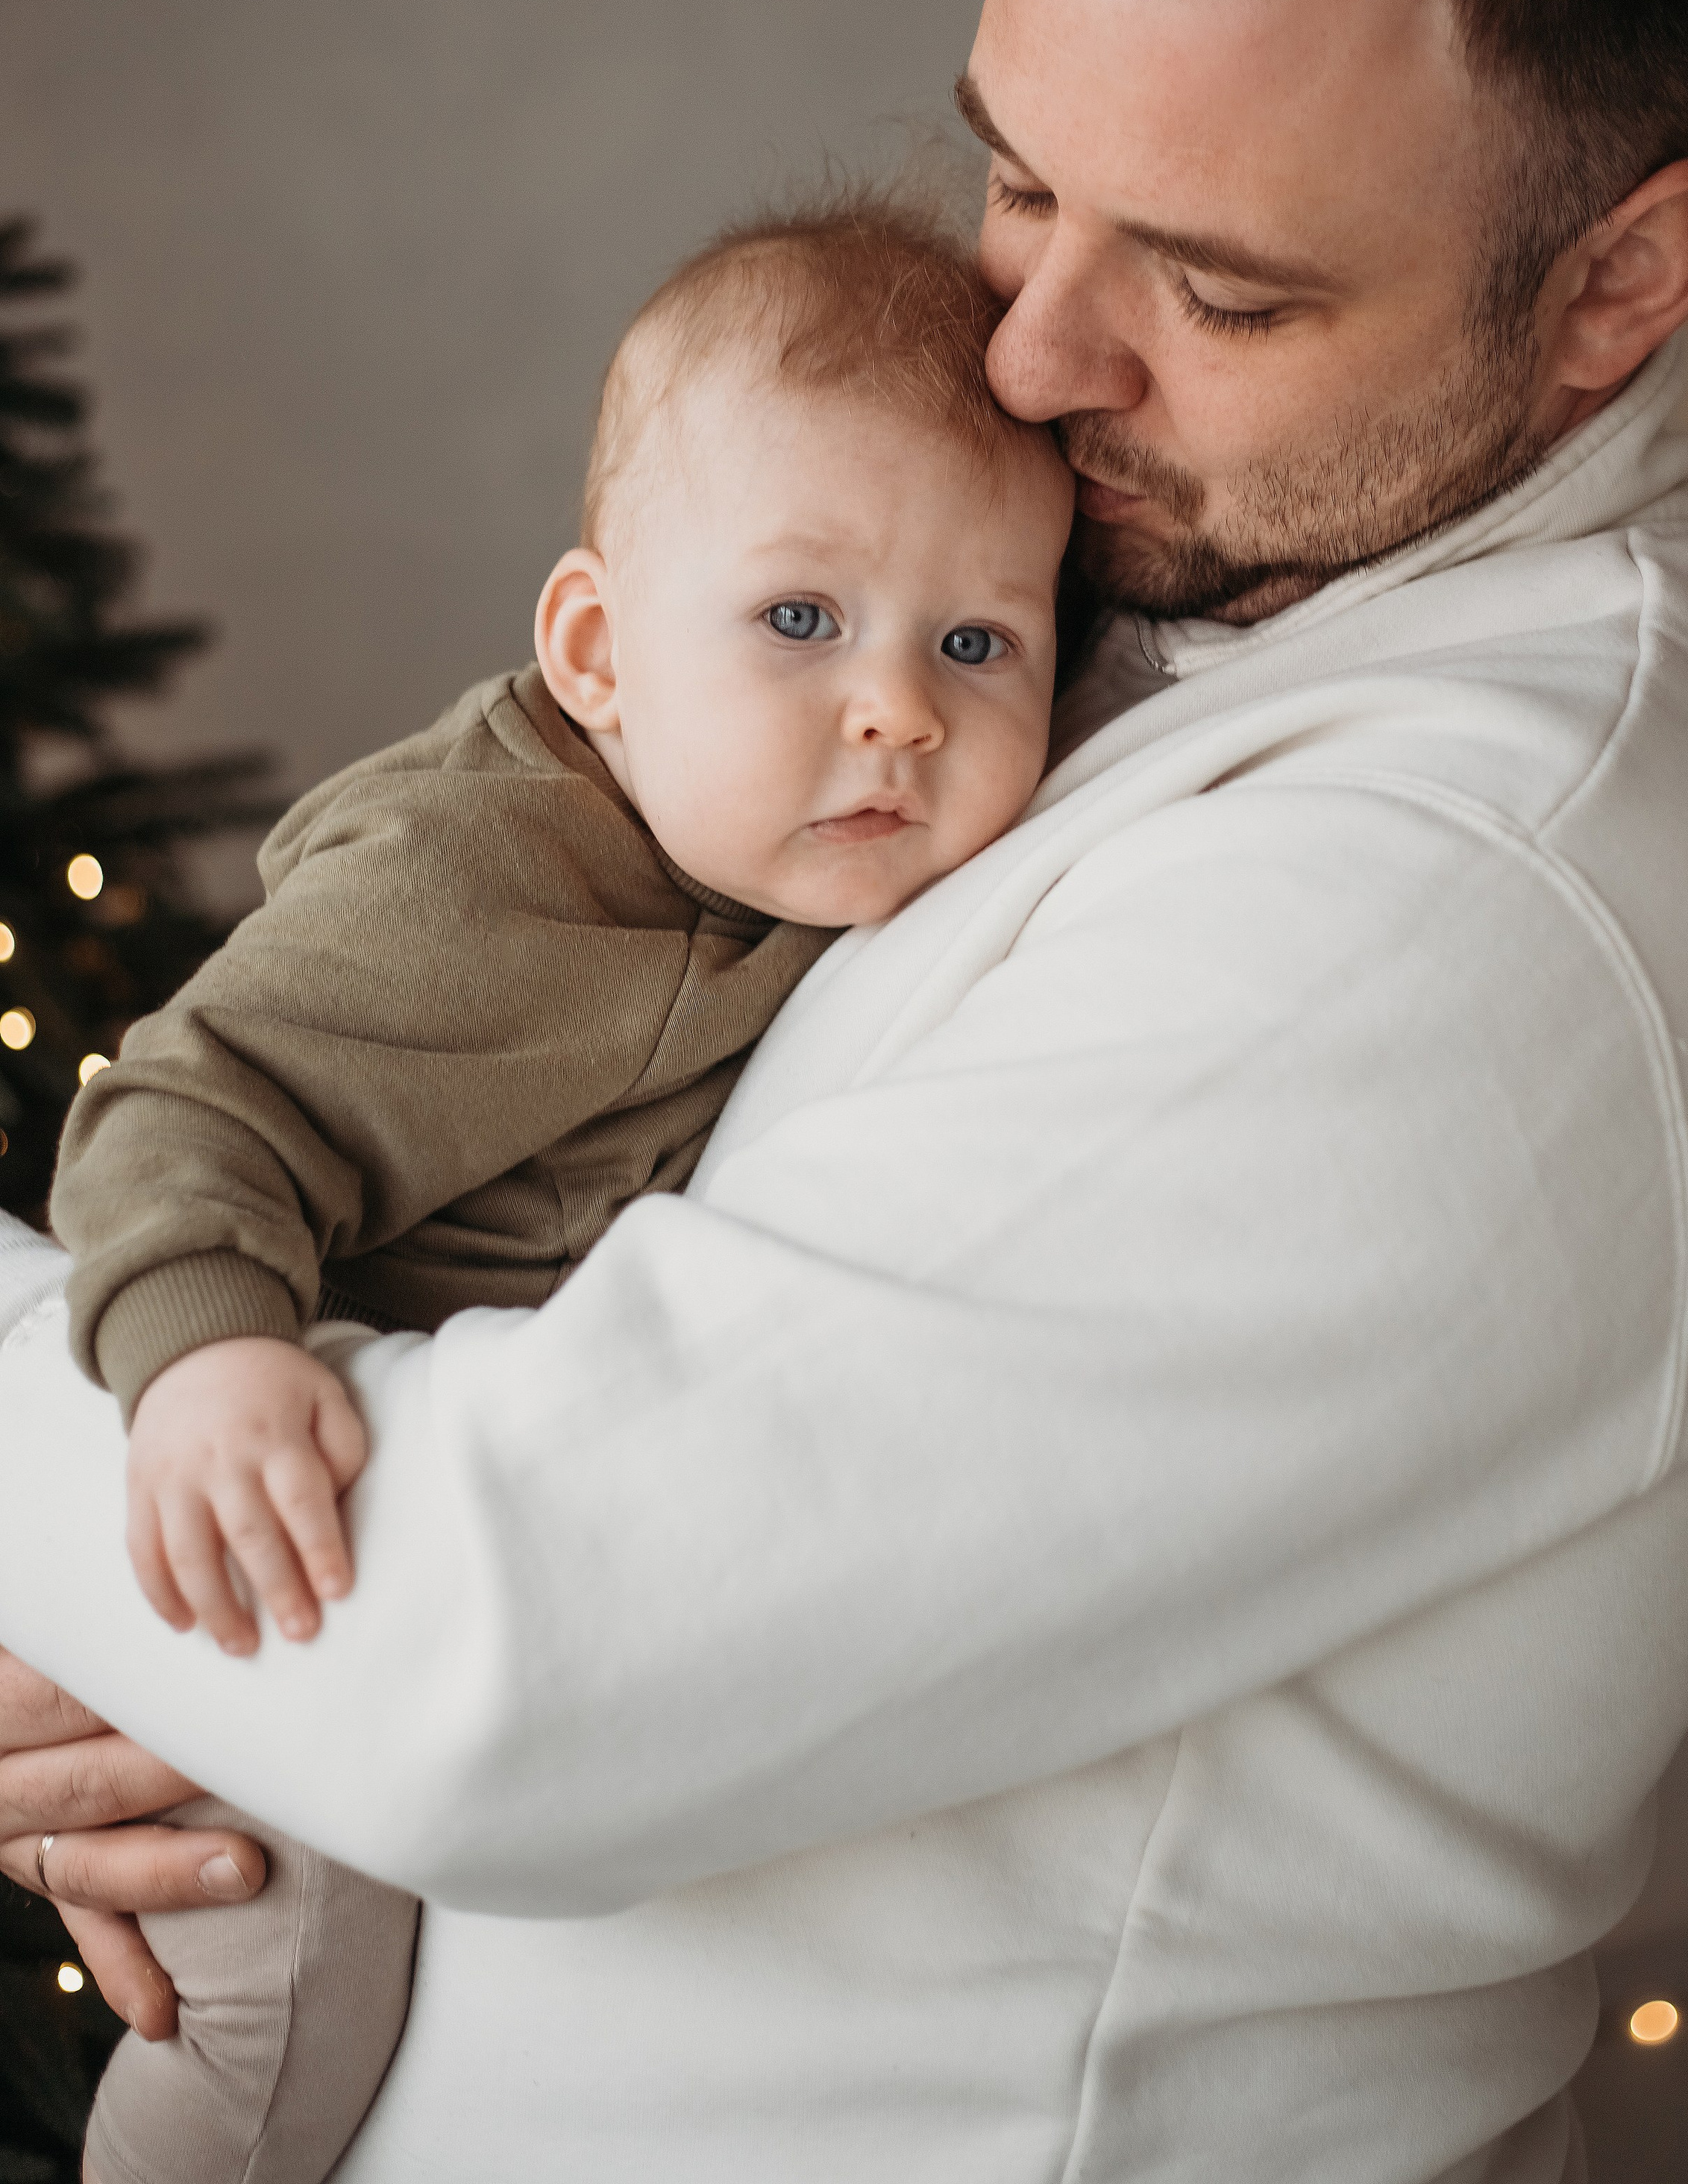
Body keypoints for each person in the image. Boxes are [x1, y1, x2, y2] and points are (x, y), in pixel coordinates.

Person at [0, 0, 1688, 2184]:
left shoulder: (1492, 899)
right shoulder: (1191, 593)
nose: (1023, 351)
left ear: (1616, 285)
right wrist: (158, 1675)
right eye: (1015, 175)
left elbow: (497, 1657)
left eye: (1218, 291)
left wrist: (93, 1528)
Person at [46, 200, 1072, 2184]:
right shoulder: (486, 884)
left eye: (979, 643)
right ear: (598, 652)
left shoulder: (809, 857)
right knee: (271, 2025)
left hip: (494, 1597)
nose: (898, 708)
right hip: (274, 1552)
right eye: (801, 621)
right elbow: (181, 1101)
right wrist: (207, 1365)